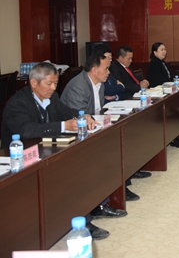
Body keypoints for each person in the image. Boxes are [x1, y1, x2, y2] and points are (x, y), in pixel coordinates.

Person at [0, 62, 115, 240]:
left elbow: (66, 112)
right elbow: (26, 130)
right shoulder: (17, 103)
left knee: (89, 159)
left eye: (55, 83)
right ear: (33, 83)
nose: (54, 88)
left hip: (47, 150)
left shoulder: (51, 97)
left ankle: (97, 205)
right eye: (49, 84)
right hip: (21, 159)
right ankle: (82, 222)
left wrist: (82, 115)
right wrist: (63, 126)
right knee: (68, 174)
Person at [60, 54, 145, 201]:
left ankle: (124, 179)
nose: (108, 72)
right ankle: (114, 191)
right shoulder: (78, 86)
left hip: (95, 125)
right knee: (110, 145)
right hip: (74, 133)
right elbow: (79, 116)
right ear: (94, 70)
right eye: (106, 69)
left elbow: (98, 110)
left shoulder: (100, 83)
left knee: (124, 136)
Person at [147, 42, 179, 147]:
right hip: (159, 95)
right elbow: (159, 81)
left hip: (167, 92)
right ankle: (172, 138)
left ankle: (176, 134)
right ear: (155, 52)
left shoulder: (163, 63)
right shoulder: (154, 64)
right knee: (171, 111)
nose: (164, 52)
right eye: (161, 50)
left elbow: (170, 78)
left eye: (165, 49)